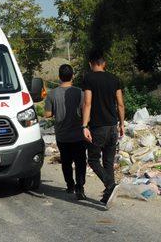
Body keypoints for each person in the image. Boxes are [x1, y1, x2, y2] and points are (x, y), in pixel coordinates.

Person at [81, 50, 125, 209]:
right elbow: (120, 104)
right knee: (108, 161)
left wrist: (84, 126)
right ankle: (108, 195)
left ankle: (110, 185)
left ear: (90, 64)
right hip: (113, 126)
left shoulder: (89, 78)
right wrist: (122, 124)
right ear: (104, 63)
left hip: (98, 127)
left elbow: (87, 103)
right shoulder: (114, 79)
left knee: (93, 160)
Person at [44, 64, 87, 200]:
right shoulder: (80, 92)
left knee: (66, 161)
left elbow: (48, 114)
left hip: (62, 135)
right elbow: (85, 110)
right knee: (80, 162)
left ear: (59, 77)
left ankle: (70, 186)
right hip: (78, 135)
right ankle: (80, 187)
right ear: (72, 76)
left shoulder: (52, 94)